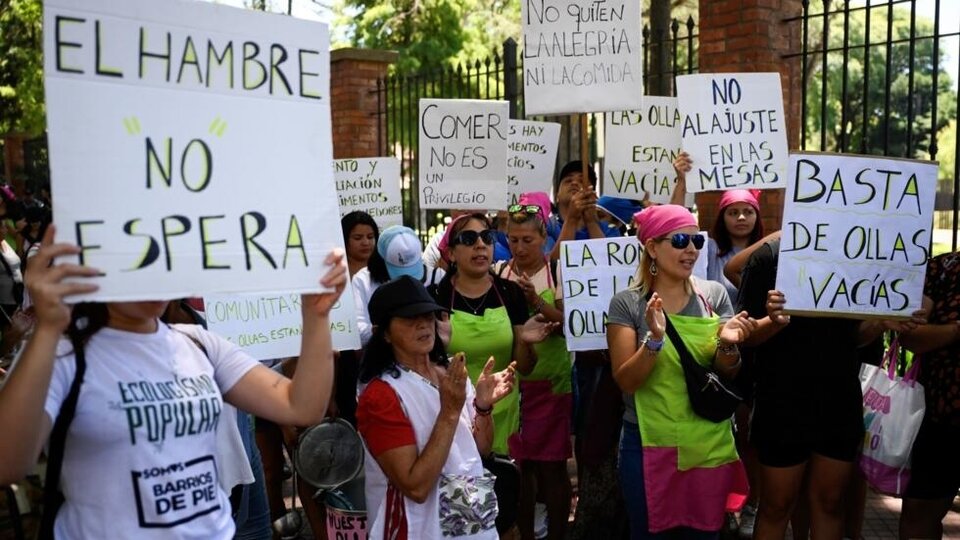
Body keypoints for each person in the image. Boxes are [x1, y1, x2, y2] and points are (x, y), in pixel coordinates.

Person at [0, 227, 347, 539]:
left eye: (165, 257)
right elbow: (7, 463)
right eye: (140, 258)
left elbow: (300, 406)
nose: (155, 272)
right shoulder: (60, 354)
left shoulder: (199, 343)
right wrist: (46, 328)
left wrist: (316, 316)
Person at [737, 233, 924, 540]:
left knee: (830, 503)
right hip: (781, 400)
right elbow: (745, 336)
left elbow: (854, 338)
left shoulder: (858, 258)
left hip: (838, 398)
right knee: (777, 506)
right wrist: (773, 319)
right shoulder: (768, 257)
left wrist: (880, 323)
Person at [607, 204, 757, 539]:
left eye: (696, 242)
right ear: (652, 248)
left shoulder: (713, 295)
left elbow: (728, 372)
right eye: (679, 240)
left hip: (707, 444)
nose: (691, 250)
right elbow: (626, 380)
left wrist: (728, 345)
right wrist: (655, 341)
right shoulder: (627, 304)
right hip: (646, 443)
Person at [356, 275, 517, 540]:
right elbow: (415, 487)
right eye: (409, 319)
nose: (423, 325)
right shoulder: (380, 395)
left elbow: (479, 450)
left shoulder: (451, 373)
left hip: (470, 517)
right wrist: (450, 411)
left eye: (428, 315)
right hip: (417, 527)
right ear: (384, 332)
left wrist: (483, 407)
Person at [431, 212, 555, 458]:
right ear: (452, 253)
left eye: (486, 237)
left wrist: (524, 340)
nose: (480, 245)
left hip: (503, 416)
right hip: (453, 418)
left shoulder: (511, 292)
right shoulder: (436, 297)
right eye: (468, 238)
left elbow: (526, 368)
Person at [494, 201, 571, 540]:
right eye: (513, 239)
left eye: (527, 239)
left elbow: (572, 322)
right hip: (510, 385)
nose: (520, 247)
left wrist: (537, 302)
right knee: (517, 468)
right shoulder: (498, 272)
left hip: (551, 385)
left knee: (551, 466)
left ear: (544, 238)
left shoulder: (557, 273)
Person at [899, 249, 960, 539]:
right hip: (940, 416)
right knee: (919, 511)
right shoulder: (943, 268)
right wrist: (956, 330)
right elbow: (911, 337)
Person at [354, 225, 446, 347]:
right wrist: (395, 334)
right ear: (382, 258)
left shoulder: (438, 276)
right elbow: (358, 328)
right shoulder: (363, 280)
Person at [342, 211, 380, 277]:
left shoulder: (386, 267)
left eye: (370, 237)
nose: (366, 243)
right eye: (357, 238)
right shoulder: (336, 271)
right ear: (344, 239)